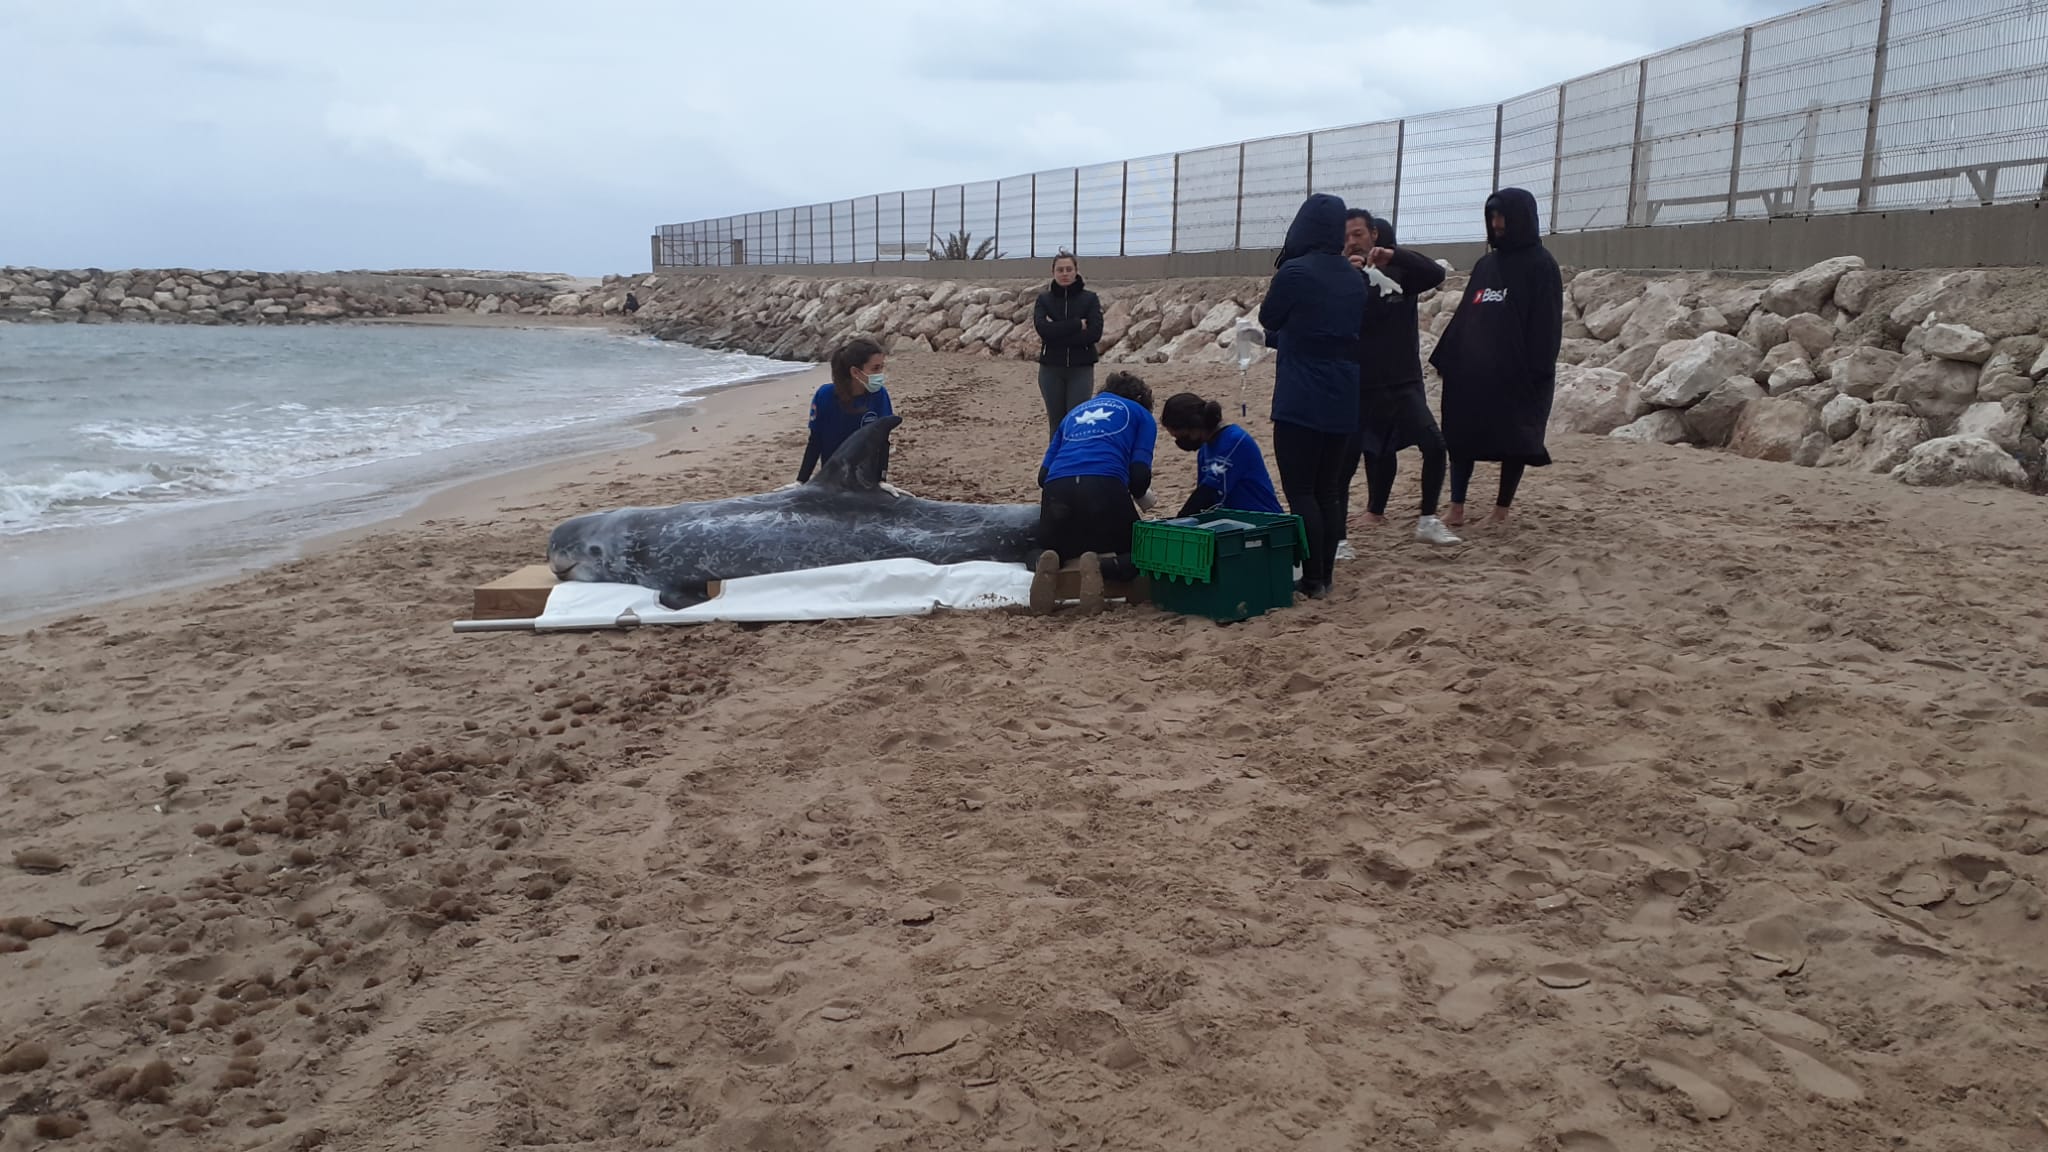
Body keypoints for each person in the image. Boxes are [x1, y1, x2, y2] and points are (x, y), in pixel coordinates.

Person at [1427, 187, 1563, 526]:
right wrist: (1448, 356)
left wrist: (1538, 370)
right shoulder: (1485, 264)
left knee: (1514, 439)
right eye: (1492, 216)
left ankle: (1501, 510)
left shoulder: (1541, 265)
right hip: (1472, 374)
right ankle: (1456, 508)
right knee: (1460, 436)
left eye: (1502, 216)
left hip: (1517, 374)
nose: (1497, 223)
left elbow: (1547, 323)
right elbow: (1466, 314)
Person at [1256, 193, 1366, 599]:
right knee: (1328, 490)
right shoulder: (1354, 277)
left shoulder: (1296, 272)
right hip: (1344, 390)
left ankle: (1312, 577)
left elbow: (1271, 318)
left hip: (1301, 392)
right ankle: (1326, 575)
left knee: (1301, 491)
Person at [1333, 211, 1459, 550]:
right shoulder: (1340, 277)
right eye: (1345, 237)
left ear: (1374, 234)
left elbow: (1435, 273)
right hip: (1359, 385)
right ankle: (1339, 540)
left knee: (1434, 445)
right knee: (1344, 466)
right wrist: (1349, 274)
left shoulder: (1400, 273)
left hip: (1402, 382)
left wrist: (1394, 255)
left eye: (1358, 234)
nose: (1352, 241)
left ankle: (1428, 520)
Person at [1030, 370, 1157, 612]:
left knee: (1044, 545)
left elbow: (1042, 477)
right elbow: (1140, 477)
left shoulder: (1072, 415)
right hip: (1104, 485)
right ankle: (1101, 566)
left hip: (1058, 489)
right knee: (1143, 552)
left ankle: (1042, 561)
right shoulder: (1141, 415)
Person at [1160, 392, 1282, 517]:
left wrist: (1180, 519)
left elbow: (1207, 491)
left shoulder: (1234, 441)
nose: (1181, 442)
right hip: (1232, 521)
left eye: (1182, 436)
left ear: (1194, 425)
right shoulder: (1204, 450)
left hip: (1262, 518)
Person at [797, 338, 893, 484]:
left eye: (881, 367)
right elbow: (815, 441)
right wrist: (801, 481)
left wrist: (882, 480)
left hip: (867, 479)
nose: (880, 374)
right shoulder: (825, 396)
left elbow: (882, 441)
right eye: (875, 368)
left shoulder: (879, 395)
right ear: (855, 372)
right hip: (831, 479)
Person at [1032, 252, 1104, 437]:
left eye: (1069, 269)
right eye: (1060, 270)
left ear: (1076, 271)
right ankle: (1055, 465)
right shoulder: (1044, 300)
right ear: (1053, 272)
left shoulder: (1090, 299)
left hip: (1081, 369)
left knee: (1077, 421)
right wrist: (1076, 325)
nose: (1065, 273)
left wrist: (1057, 332)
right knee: (1056, 425)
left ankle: (1076, 464)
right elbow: (1043, 331)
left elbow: (1094, 334)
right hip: (1051, 369)